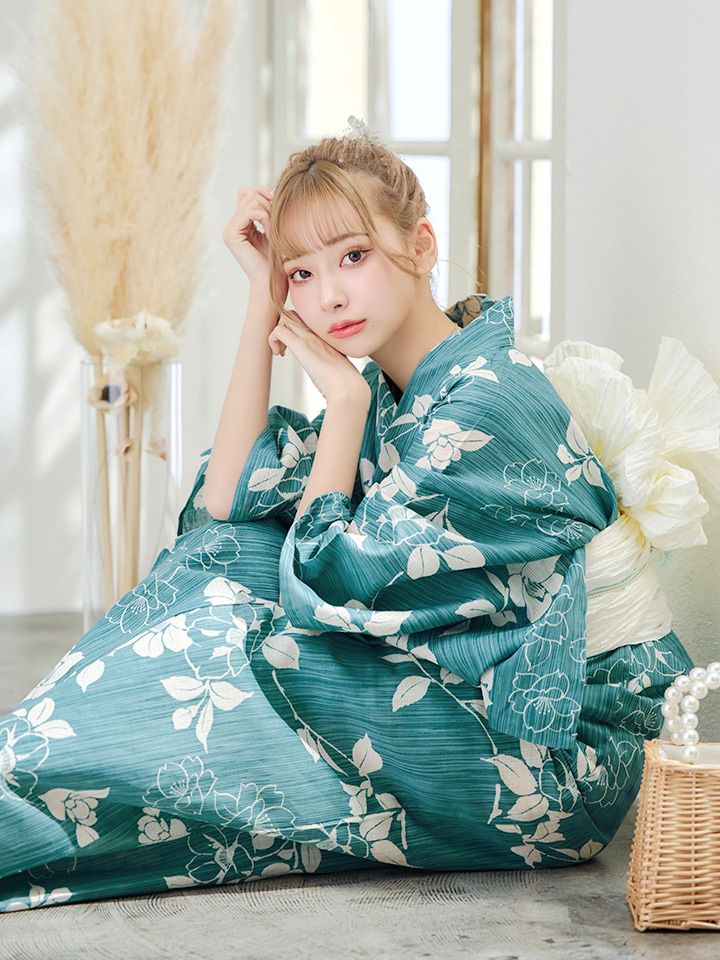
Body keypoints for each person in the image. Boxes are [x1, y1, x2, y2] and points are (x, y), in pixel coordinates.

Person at [1, 123, 716, 913]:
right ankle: (30, 777)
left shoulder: (488, 400)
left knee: (253, 644)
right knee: (227, 554)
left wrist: (340, 400)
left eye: (353, 256)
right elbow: (226, 501)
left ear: (421, 245)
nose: (328, 296)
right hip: (472, 697)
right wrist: (261, 297)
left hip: (553, 757)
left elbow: (323, 588)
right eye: (302, 274)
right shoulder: (398, 390)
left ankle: (27, 791)